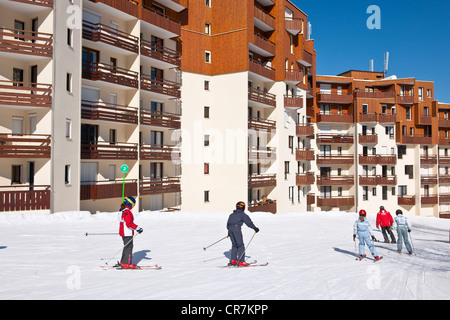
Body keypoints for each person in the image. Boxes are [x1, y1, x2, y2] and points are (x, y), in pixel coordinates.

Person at [226, 201, 260, 267]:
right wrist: (254, 228)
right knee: (240, 245)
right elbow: (248, 222)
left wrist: (229, 232)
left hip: (230, 229)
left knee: (234, 245)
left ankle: (233, 260)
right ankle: (241, 261)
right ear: (243, 208)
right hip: (236, 229)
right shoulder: (242, 214)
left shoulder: (232, 215)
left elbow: (228, 224)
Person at [116, 196, 143, 269]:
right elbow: (129, 223)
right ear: (130, 204)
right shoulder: (127, 212)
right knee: (129, 247)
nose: (133, 206)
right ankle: (127, 263)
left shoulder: (122, 210)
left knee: (127, 247)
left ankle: (123, 262)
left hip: (124, 232)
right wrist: (137, 228)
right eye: (133, 204)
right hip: (127, 233)